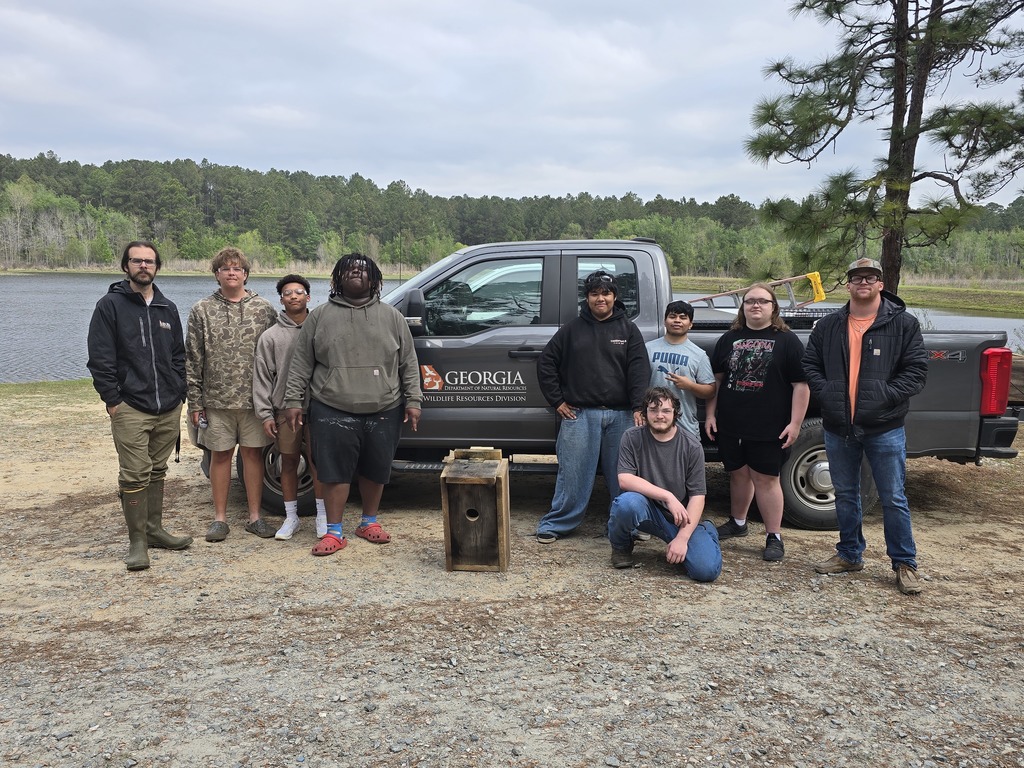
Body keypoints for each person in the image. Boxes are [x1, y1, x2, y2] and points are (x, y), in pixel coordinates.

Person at [282, 253, 422, 557]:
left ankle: (368, 522)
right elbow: (301, 364)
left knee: (376, 469)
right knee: (333, 472)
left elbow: (409, 363)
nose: (356, 273)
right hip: (331, 406)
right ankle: (334, 531)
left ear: (374, 279)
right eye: (349, 269)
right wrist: (293, 400)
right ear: (337, 279)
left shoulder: (392, 317)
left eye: (363, 269)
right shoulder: (319, 316)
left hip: (385, 406)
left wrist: (414, 400)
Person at [803, 258, 928, 594]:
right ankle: (849, 554)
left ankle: (904, 563)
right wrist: (827, 393)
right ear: (848, 285)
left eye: (870, 277)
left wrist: (884, 394)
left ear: (880, 284)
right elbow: (810, 364)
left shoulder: (903, 325)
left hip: (884, 427)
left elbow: (916, 372)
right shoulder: (830, 325)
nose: (863, 282)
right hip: (838, 426)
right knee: (845, 494)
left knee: (893, 497)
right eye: (856, 277)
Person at [87, 241, 192, 571]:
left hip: (168, 405)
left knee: (157, 469)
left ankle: (155, 530)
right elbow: (100, 358)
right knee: (134, 472)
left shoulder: (167, 308)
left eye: (149, 261)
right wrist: (113, 400)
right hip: (130, 406)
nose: (143, 266)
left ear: (157, 267)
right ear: (125, 266)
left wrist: (179, 390)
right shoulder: (110, 306)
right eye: (137, 261)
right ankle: (137, 542)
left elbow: (178, 355)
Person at [535, 270, 651, 543]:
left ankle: (627, 527)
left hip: (622, 415)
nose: (601, 299)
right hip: (579, 414)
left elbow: (639, 371)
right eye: (595, 294)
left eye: (606, 293)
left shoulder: (628, 330)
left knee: (624, 476)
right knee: (573, 474)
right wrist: (557, 401)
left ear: (615, 297)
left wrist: (638, 407)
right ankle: (557, 524)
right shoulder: (571, 330)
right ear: (587, 298)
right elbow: (546, 364)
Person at [705, 283, 809, 562]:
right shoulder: (728, 339)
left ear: (773, 308)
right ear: (743, 307)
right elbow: (716, 381)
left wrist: (796, 423)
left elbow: (801, 385)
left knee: (766, 478)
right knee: (738, 473)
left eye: (763, 301)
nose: (755, 305)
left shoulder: (788, 341)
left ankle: (773, 535)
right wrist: (711, 415)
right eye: (750, 301)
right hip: (731, 422)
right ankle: (738, 522)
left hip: (770, 425)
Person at [185, 246, 278, 543]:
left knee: (253, 456)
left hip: (255, 401)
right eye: (225, 268)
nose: (231, 272)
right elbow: (192, 358)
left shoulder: (263, 309)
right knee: (220, 456)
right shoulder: (202, 310)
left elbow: (276, 354)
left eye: (237, 268)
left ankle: (254, 517)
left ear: (246, 274)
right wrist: (195, 402)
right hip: (216, 402)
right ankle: (220, 519)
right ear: (217, 274)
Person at [608, 387, 722, 581]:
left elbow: (697, 496)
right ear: (645, 413)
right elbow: (624, 479)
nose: (659, 416)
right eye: (653, 410)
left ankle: (706, 530)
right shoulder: (631, 437)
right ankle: (621, 547)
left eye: (666, 411)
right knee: (627, 503)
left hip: (679, 518)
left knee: (706, 571)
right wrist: (667, 496)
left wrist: (683, 538)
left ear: (675, 413)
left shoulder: (692, 445)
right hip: (648, 511)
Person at [252, 274, 327, 541]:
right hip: (284, 409)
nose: (293, 296)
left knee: (320, 462)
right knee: (289, 462)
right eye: (287, 293)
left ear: (309, 296)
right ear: (281, 300)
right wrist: (264, 413)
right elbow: (262, 377)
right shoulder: (270, 337)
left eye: (298, 291)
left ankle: (322, 516)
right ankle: (291, 517)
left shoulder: (321, 329)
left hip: (320, 407)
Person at [646, 299, 716, 437]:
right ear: (665, 321)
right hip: (653, 422)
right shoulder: (647, 349)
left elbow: (710, 391)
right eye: (672, 316)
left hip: (685, 426)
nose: (677, 320)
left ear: (690, 324)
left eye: (683, 318)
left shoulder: (699, 355)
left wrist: (690, 385)